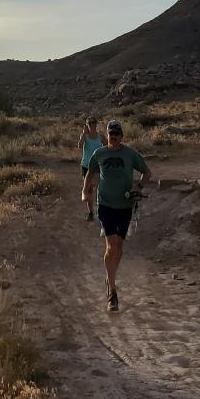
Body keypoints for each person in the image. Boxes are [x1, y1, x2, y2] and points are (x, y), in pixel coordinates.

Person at [81, 119, 151, 311]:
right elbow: (90, 172)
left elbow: (146, 172)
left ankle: (109, 276)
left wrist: (138, 187)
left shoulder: (130, 154)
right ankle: (112, 292)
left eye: (117, 135)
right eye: (111, 134)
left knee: (118, 248)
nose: (114, 138)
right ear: (108, 135)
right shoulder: (99, 153)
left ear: (122, 136)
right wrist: (85, 190)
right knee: (111, 246)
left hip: (125, 206)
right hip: (105, 205)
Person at [77, 117, 105, 220]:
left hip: (98, 165)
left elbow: (108, 145)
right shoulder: (85, 136)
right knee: (89, 190)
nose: (92, 124)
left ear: (96, 124)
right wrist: (84, 134)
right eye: (89, 123)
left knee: (100, 189)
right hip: (86, 165)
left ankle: (101, 210)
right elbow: (79, 145)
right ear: (87, 124)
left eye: (94, 122)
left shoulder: (100, 136)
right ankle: (91, 213)